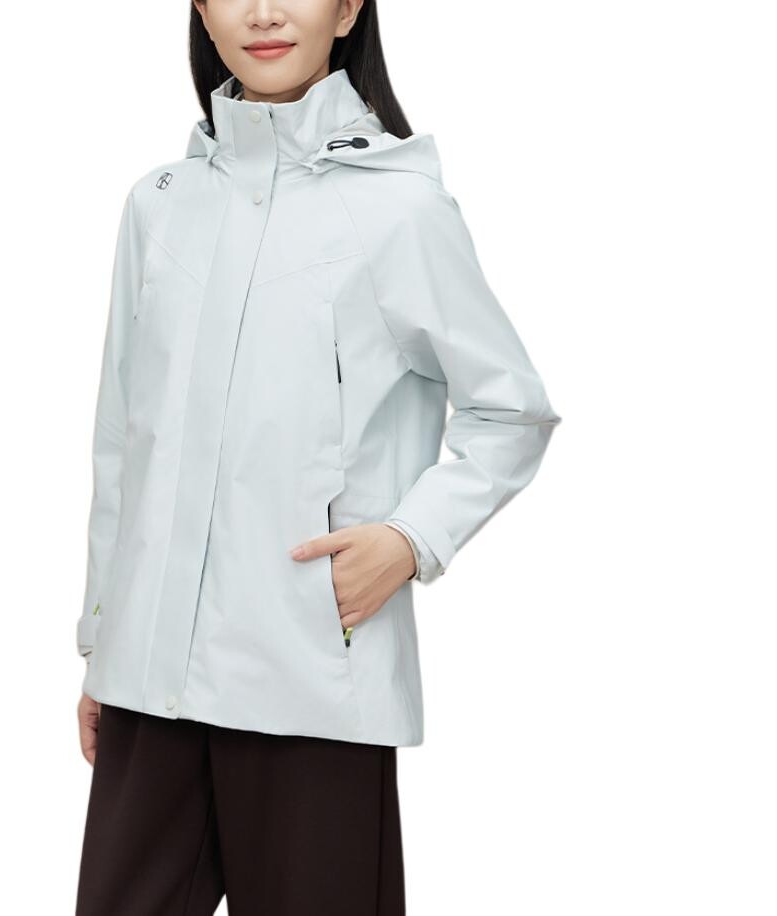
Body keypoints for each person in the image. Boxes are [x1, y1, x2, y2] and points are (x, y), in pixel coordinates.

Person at [74, 2, 562, 913]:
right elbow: (122, 440)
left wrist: (410, 539)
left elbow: (511, 409)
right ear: (200, 10)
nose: (264, 12)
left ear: (347, 8)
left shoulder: (399, 208)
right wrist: (103, 643)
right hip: (147, 684)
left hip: (311, 680)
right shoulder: (159, 205)